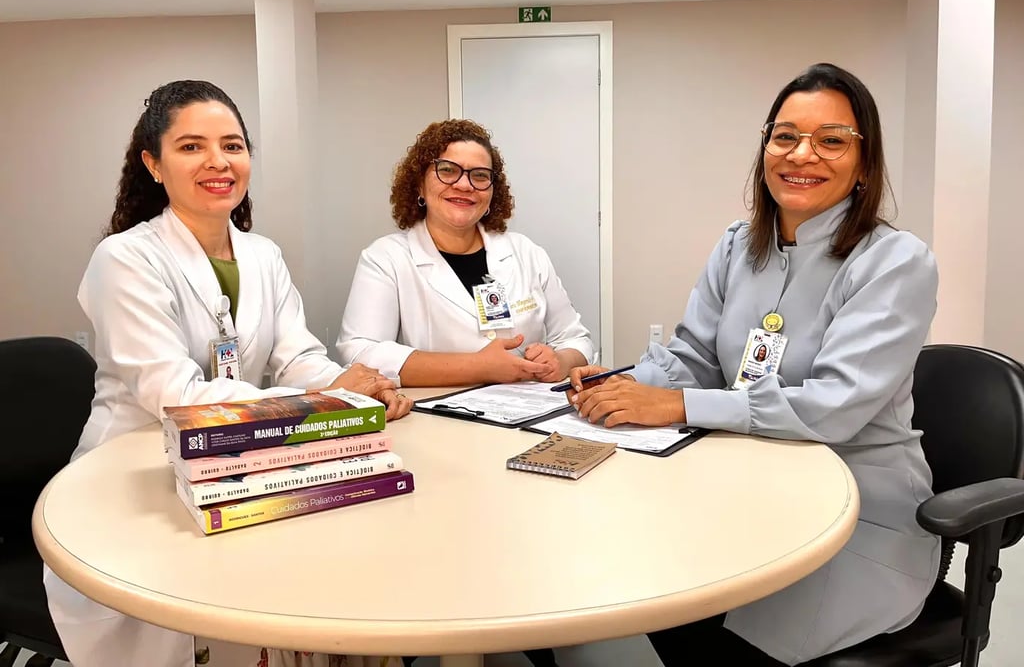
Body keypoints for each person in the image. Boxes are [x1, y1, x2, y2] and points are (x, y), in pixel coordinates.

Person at [565, 63, 940, 666]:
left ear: (865, 163)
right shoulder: (739, 245)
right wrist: (626, 383)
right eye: (785, 135)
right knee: (638, 574)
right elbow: (695, 355)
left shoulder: (895, 262)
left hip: (852, 507)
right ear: (765, 146)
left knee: (725, 629)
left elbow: (835, 405)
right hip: (740, 483)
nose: (802, 155)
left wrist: (676, 404)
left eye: (832, 140)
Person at [43, 80, 412, 667]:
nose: (219, 162)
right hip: (135, 477)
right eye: (192, 147)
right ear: (153, 164)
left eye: (233, 145)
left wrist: (353, 389)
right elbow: (176, 394)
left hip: (234, 460)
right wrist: (328, 396)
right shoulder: (125, 258)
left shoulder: (263, 254)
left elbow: (297, 356)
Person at [337, 118, 595, 388]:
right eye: (447, 170)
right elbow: (361, 353)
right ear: (419, 185)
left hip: (527, 414)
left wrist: (559, 362)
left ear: (493, 192)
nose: (464, 185)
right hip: (442, 417)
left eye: (480, 175)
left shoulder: (526, 253)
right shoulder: (386, 258)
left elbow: (576, 339)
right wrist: (478, 367)